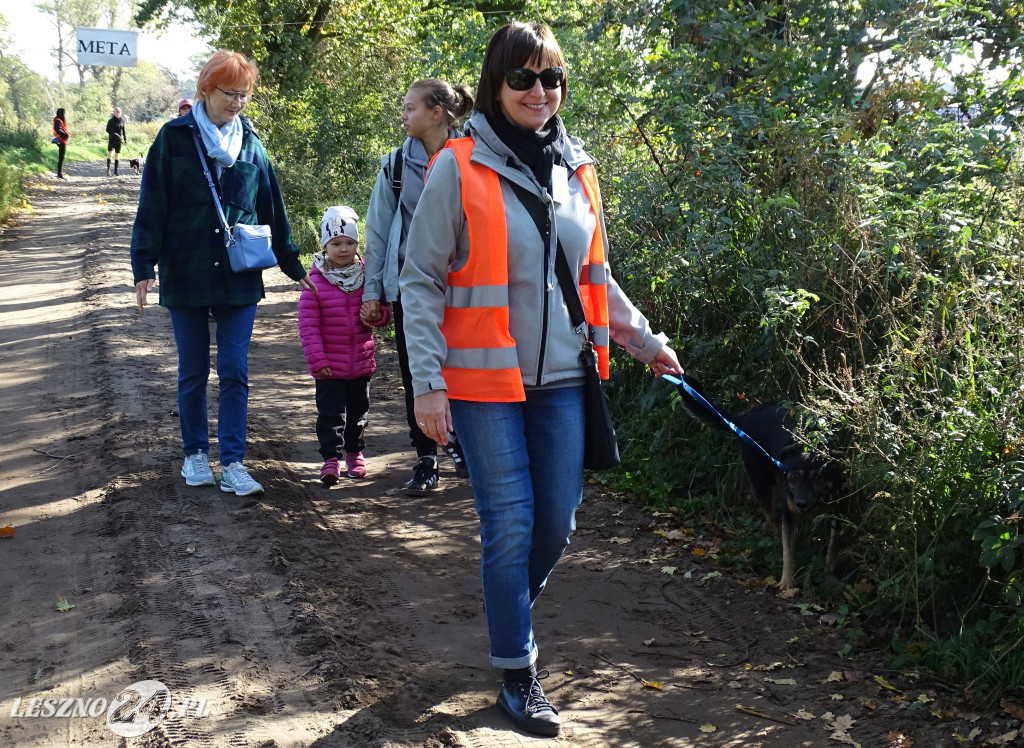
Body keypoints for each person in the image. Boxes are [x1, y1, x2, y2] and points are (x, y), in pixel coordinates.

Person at [399, 22, 682, 737]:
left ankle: (505, 611)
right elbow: (421, 279)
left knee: (555, 524)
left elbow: (595, 278)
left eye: (551, 77)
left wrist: (646, 341)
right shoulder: (457, 167)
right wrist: (427, 383)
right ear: (495, 85)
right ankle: (518, 673)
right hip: (480, 385)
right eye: (522, 78)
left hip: (562, 380)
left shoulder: (578, 170)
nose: (539, 91)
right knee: (511, 523)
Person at [130, 49, 315, 496]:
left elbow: (272, 209)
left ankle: (233, 462)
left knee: (234, 370)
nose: (237, 103)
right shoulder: (172, 140)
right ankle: (195, 455)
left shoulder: (251, 143)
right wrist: (143, 264)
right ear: (206, 90)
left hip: (238, 276)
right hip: (187, 269)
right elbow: (152, 205)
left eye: (244, 96)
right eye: (229, 94)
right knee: (192, 370)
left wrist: (293, 264)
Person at [361, 78, 474, 497]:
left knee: (463, 370)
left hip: (467, 288)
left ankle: (464, 445)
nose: (403, 115)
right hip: (412, 288)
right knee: (417, 376)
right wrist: (373, 291)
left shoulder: (474, 157)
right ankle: (426, 458)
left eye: (410, 108)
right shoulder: (394, 167)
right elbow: (378, 232)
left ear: (437, 113)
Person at [299, 206, 390, 484]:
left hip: (361, 363)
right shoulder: (314, 283)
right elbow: (308, 328)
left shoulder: (366, 277)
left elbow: (383, 311)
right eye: (336, 243)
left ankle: (354, 454)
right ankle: (330, 459)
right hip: (330, 367)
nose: (344, 249)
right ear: (325, 246)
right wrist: (318, 362)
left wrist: (377, 316)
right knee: (331, 415)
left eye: (350, 243)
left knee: (359, 414)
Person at [106, 107, 127, 176]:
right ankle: (108, 170)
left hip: (119, 140)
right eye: (116, 112)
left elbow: (123, 131)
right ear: (114, 113)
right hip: (112, 139)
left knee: (117, 155)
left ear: (120, 113)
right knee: (110, 154)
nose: (117, 113)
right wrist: (114, 134)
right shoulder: (110, 121)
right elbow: (107, 130)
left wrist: (125, 139)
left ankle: (116, 171)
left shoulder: (122, 121)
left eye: (119, 112)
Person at [52, 108, 69, 180]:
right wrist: (65, 134)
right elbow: (58, 129)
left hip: (62, 140)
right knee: (61, 157)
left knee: (61, 156)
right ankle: (59, 173)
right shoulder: (58, 120)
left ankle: (60, 172)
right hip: (61, 140)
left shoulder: (58, 120)